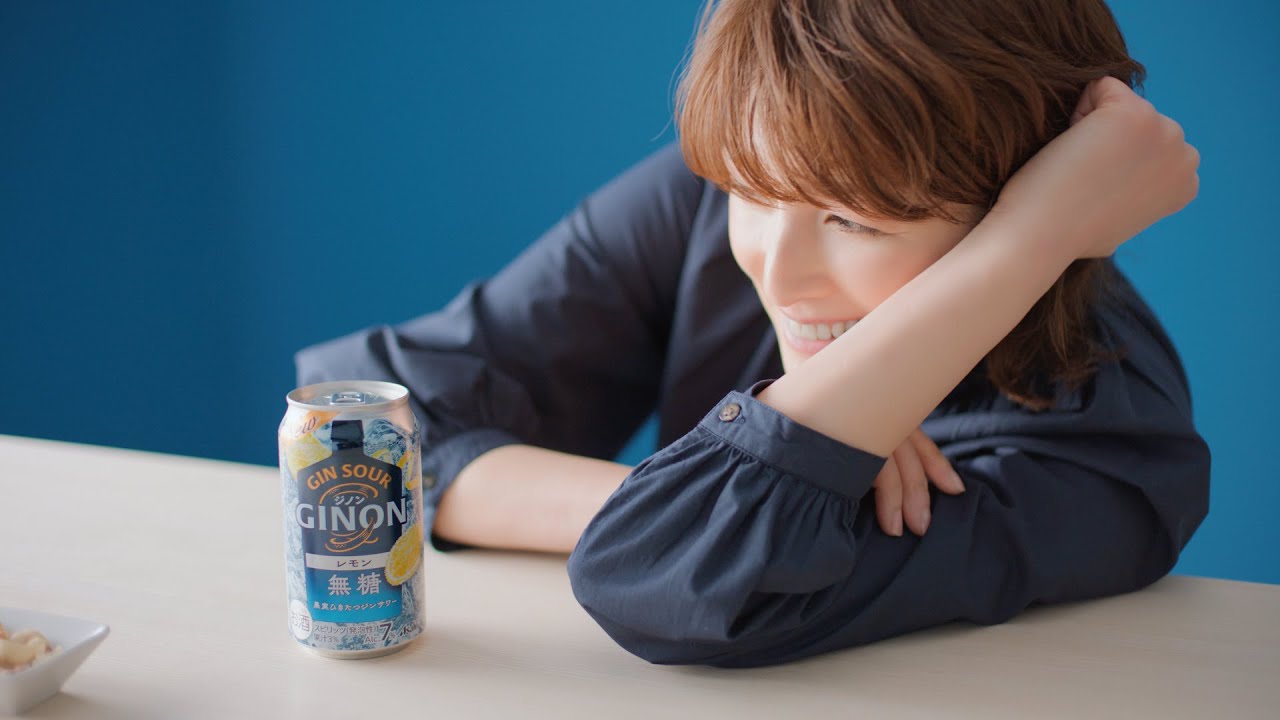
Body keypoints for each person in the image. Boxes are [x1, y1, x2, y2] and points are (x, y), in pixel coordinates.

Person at [296, 0, 1207, 668]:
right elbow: (371, 429)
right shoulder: (734, 194)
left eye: (857, 222)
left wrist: (1030, 242)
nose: (776, 268)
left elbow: (678, 583)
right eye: (751, 193)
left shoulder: (1096, 450)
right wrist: (750, 463)